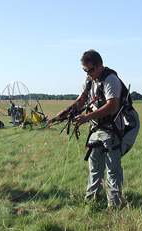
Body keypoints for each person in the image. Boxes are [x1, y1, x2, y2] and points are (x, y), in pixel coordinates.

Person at [56, 49, 125, 208]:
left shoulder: (111, 80)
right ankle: (91, 201)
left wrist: (86, 117)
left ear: (99, 65)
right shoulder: (88, 80)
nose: (87, 73)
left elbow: (112, 105)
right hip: (96, 130)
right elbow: (80, 102)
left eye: (90, 69)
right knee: (94, 166)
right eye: (84, 70)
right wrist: (66, 113)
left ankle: (114, 206)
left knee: (112, 168)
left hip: (111, 130)